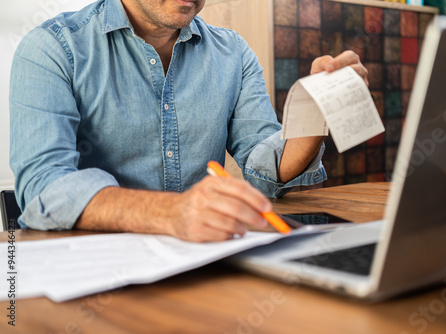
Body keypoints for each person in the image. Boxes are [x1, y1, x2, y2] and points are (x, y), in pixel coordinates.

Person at [9, 0, 369, 242]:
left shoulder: (233, 52)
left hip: (204, 260)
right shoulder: (52, 48)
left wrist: (312, 116)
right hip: (95, 271)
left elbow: (264, 171)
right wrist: (173, 213)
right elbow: (43, 188)